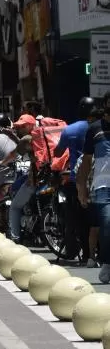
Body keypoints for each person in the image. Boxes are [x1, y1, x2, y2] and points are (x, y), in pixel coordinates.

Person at [56, 97, 101, 265]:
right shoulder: (100, 127)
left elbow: (58, 152)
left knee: (78, 219)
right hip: (101, 177)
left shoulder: (70, 130)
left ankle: (85, 255)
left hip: (78, 179)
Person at [75, 103, 110, 283]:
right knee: (107, 222)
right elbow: (86, 162)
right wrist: (81, 188)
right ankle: (106, 263)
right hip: (103, 186)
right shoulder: (94, 130)